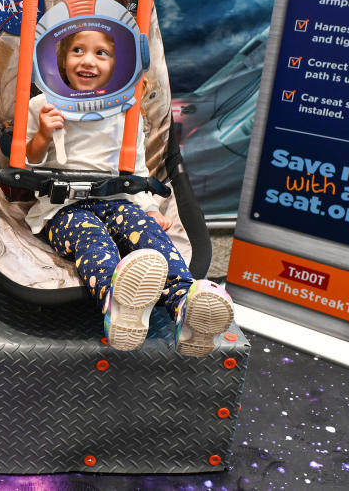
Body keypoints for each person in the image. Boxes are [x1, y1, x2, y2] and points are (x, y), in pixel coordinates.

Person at [26, 28, 233, 356]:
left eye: (101, 53)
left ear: (118, 65)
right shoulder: (43, 104)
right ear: (62, 60)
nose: (88, 60)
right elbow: (28, 162)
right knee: (92, 239)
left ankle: (186, 307)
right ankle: (119, 306)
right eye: (77, 50)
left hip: (117, 199)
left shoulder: (126, 111)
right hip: (63, 208)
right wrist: (42, 135)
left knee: (148, 233)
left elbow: (136, 169)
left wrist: (150, 207)